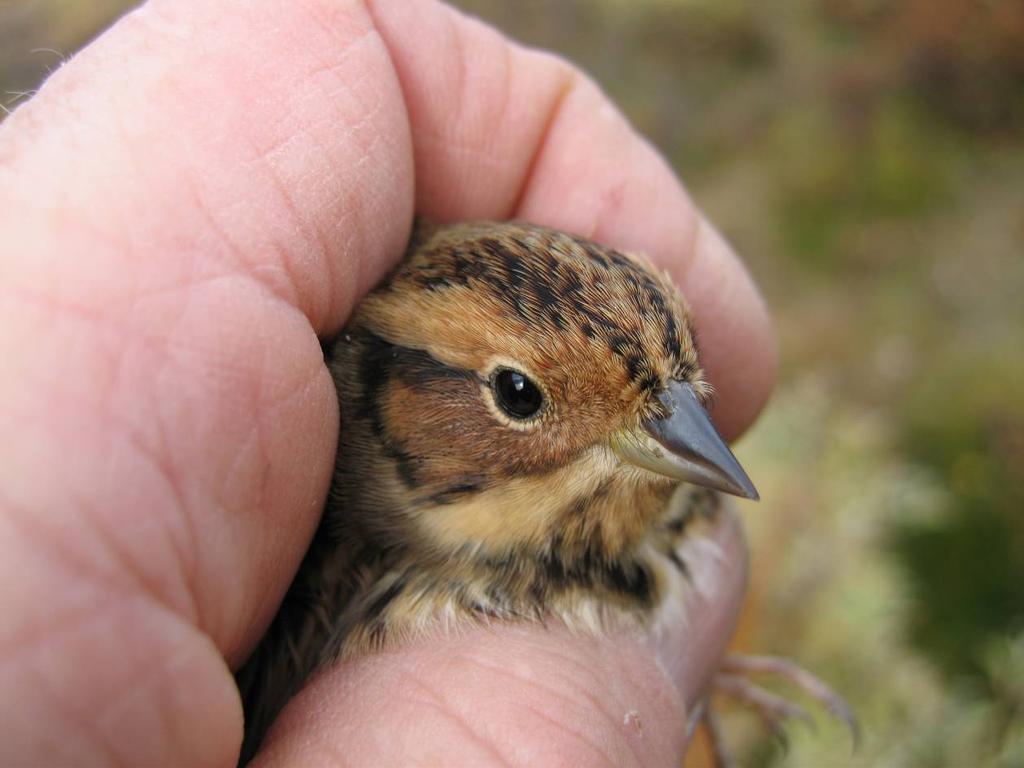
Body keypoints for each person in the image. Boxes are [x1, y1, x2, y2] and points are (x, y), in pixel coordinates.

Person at [0, 0, 775, 764]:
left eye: (684, 394)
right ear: (399, 397)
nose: (676, 439)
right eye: (521, 396)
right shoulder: (319, 581)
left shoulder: (654, 501)